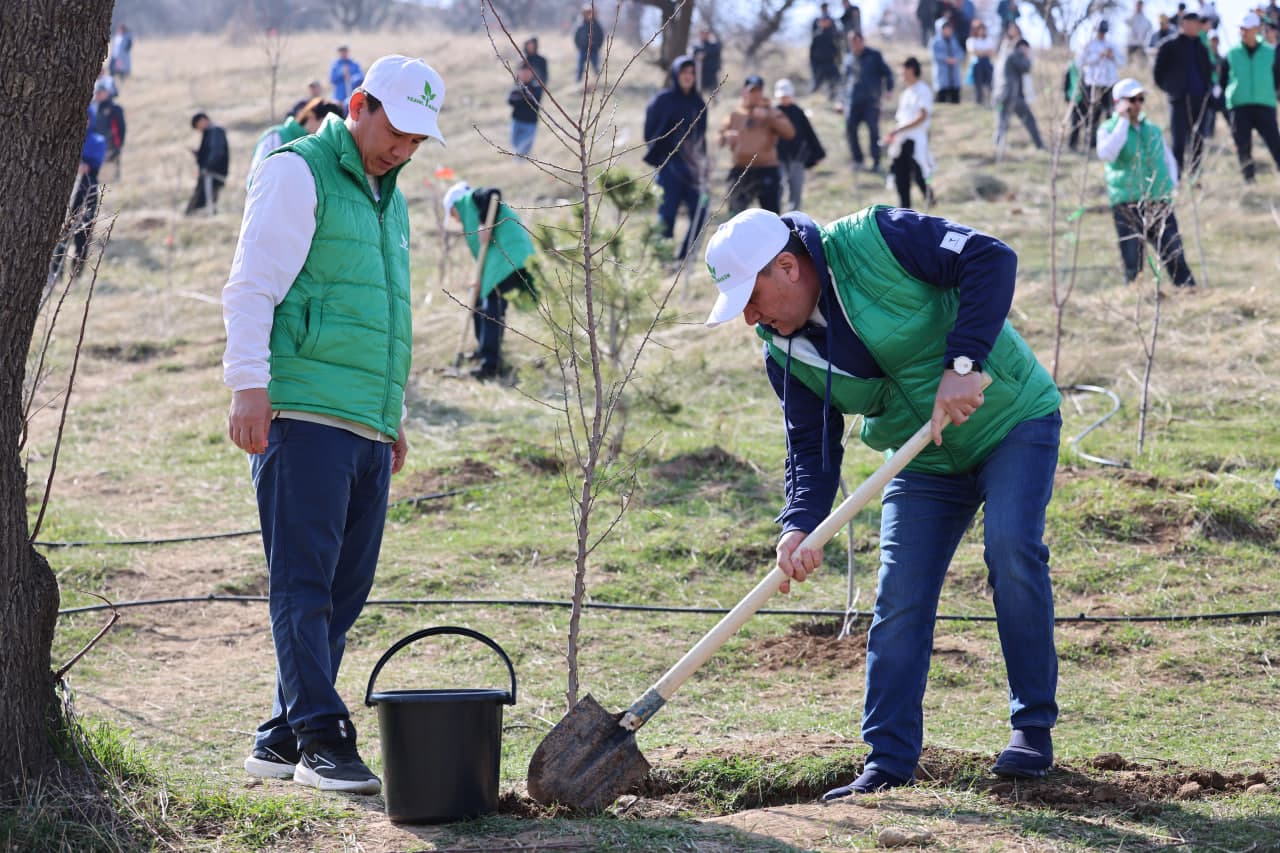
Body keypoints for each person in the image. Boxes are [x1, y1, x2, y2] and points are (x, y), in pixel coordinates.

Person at [701, 202, 1063, 798]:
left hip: (1011, 420)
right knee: (898, 595)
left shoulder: (875, 238)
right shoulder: (782, 349)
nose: (749, 318)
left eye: (750, 297)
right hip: (923, 458)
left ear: (787, 267)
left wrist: (964, 362)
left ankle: (1031, 731)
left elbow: (990, 258)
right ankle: (888, 762)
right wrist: (798, 526)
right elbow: (810, 448)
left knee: (1011, 548)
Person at [224, 54, 447, 795]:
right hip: (302, 413)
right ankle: (323, 737)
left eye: (420, 140)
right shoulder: (298, 170)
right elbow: (252, 283)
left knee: (347, 589)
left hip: (366, 421)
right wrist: (248, 386)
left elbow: (381, 313)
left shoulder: (392, 199)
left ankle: (280, 738)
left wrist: (395, 414)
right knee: (304, 583)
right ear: (360, 105)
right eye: (399, 131)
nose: (406, 149)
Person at [1097, 78, 1196, 288]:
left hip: (1159, 201)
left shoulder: (1152, 129)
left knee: (1174, 252)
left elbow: (1167, 159)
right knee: (1133, 260)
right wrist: (1123, 122)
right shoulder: (1108, 128)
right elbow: (1107, 153)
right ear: (1119, 101)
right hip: (1127, 204)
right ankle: (1136, 300)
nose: (1137, 104)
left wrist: (1172, 185)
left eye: (1140, 99)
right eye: (1132, 99)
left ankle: (1189, 292)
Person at [443, 182, 536, 379]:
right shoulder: (472, 212)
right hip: (505, 260)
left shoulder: (470, 200)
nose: (455, 219)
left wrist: (485, 222)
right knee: (479, 302)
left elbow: (493, 192)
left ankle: (490, 366)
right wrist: (479, 280)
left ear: (454, 205)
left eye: (452, 213)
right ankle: (484, 350)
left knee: (492, 310)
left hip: (509, 257)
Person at [644, 55, 709, 261]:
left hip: (693, 169)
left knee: (701, 212)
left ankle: (685, 258)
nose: (688, 77)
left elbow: (701, 137)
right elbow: (649, 132)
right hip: (668, 167)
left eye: (691, 73)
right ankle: (663, 258)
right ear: (675, 74)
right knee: (667, 215)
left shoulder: (698, 102)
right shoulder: (662, 100)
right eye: (684, 72)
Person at [718, 75, 796, 214]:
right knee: (735, 215)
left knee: (772, 215)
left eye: (758, 91)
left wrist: (769, 117)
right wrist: (726, 136)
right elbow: (719, 137)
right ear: (744, 92)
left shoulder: (771, 112)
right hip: (740, 170)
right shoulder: (735, 114)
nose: (755, 95)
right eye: (751, 91)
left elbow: (789, 132)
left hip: (767, 169)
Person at [49, 113, 107, 288]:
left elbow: (94, 164)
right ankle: (54, 274)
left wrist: (82, 165)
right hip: (67, 192)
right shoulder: (67, 140)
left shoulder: (97, 140)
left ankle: (76, 276)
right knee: (62, 233)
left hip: (87, 191)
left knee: (83, 232)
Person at [1221, 12, 1280, 183]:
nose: (1244, 32)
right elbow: (1223, 79)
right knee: (1243, 145)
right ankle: (1249, 179)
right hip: (1239, 105)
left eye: (1247, 29)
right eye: (1241, 29)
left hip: (1265, 103)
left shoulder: (1271, 53)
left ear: (1257, 29)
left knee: (1274, 141)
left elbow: (1277, 77)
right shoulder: (1231, 53)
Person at [1155, 12, 1214, 175]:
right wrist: (1171, 89)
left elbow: (1208, 72)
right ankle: (1177, 175)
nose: (1198, 26)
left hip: (1199, 101)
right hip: (1179, 100)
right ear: (1185, 23)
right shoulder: (1169, 45)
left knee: (1198, 140)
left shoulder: (1202, 48)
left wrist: (1208, 93)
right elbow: (1158, 73)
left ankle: (1194, 175)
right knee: (1179, 140)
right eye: (1195, 22)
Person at [248, 98, 345, 189]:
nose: (328, 132)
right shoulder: (276, 136)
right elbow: (256, 178)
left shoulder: (320, 148)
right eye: (325, 124)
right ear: (311, 116)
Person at [885, 57, 935, 208]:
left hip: (915, 138)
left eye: (903, 69)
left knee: (919, 173)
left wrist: (901, 128)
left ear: (911, 69)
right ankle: (904, 209)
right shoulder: (906, 93)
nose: (901, 73)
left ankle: (929, 198)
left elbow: (922, 116)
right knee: (901, 176)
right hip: (902, 139)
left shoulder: (923, 90)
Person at [842, 30, 895, 173]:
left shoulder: (874, 56)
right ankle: (858, 160)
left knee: (874, 132)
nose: (855, 45)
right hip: (853, 102)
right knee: (850, 130)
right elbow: (844, 82)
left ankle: (876, 161)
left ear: (862, 41)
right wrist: (841, 100)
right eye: (852, 42)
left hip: (871, 102)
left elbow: (888, 74)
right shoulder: (848, 59)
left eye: (857, 41)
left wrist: (889, 89)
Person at [774, 79, 826, 210]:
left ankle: (793, 219)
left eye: (786, 95)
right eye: (782, 96)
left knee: (796, 189)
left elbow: (809, 133)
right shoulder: (773, 113)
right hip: (777, 158)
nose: (784, 98)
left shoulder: (798, 112)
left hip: (797, 157)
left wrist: (818, 153)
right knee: (777, 188)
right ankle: (775, 216)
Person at [995, 39, 1045, 158]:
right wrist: (1027, 56)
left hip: (1002, 94)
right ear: (1022, 47)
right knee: (1029, 120)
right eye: (1027, 48)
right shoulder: (1015, 55)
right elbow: (1026, 67)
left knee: (1002, 123)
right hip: (1012, 95)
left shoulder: (1008, 56)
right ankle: (1040, 146)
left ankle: (997, 147)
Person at [1078, 21, 1120, 149]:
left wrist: (1111, 56)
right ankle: (1091, 142)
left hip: (1109, 83)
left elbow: (1121, 61)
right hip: (1094, 84)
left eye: (1104, 32)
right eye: (1100, 32)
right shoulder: (1088, 45)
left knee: (1110, 113)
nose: (1102, 34)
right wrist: (1099, 56)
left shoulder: (1111, 45)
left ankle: (1109, 141)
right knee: (1093, 113)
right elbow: (1080, 62)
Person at [186, 112, 229, 215]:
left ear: (203, 120)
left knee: (207, 201)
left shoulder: (215, 131)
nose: (199, 129)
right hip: (209, 172)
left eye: (198, 126)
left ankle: (209, 219)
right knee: (203, 199)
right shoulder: (210, 132)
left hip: (212, 173)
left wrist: (207, 167)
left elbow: (217, 152)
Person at [508, 62, 544, 159]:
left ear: (532, 73)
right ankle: (518, 166)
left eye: (527, 72)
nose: (525, 74)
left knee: (524, 149)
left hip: (530, 123)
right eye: (522, 72)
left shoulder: (537, 87)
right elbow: (511, 101)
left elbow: (535, 99)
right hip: (516, 121)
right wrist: (524, 97)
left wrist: (521, 96)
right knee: (515, 145)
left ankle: (520, 166)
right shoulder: (515, 87)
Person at [90, 79, 126, 168]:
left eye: (100, 92)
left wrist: (117, 147)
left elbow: (121, 129)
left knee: (109, 178)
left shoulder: (115, 109)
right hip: (95, 150)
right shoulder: (93, 110)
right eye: (96, 92)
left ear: (107, 92)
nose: (97, 95)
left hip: (110, 148)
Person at [810, 16, 845, 101]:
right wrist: (813, 64)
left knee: (836, 81)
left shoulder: (834, 34)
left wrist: (839, 61)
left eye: (826, 21)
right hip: (819, 64)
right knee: (816, 83)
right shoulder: (817, 35)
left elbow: (838, 48)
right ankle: (812, 99)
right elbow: (812, 51)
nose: (825, 23)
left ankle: (833, 98)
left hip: (831, 62)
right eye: (823, 21)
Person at [931, 19, 963, 103]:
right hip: (942, 74)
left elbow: (960, 52)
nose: (947, 30)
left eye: (949, 28)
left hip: (954, 75)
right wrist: (946, 59)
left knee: (955, 99)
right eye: (945, 28)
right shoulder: (935, 42)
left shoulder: (954, 41)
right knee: (942, 98)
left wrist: (956, 59)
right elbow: (934, 55)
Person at [967, 19, 997, 106]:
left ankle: (993, 102)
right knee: (978, 85)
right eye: (979, 28)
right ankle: (979, 102)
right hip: (976, 65)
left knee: (991, 84)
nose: (981, 31)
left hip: (987, 64)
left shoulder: (989, 40)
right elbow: (973, 51)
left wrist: (981, 52)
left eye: (983, 28)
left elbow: (992, 51)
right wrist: (985, 52)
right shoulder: (971, 40)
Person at [574, 4, 605, 84]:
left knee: (596, 66)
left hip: (594, 49)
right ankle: (578, 80)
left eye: (590, 12)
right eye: (587, 13)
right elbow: (576, 36)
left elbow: (601, 36)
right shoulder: (580, 24)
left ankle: (597, 81)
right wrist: (579, 46)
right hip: (582, 49)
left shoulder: (597, 25)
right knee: (580, 66)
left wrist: (598, 46)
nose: (588, 15)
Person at [695, 29, 722, 94]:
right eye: (703, 33)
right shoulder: (697, 46)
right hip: (701, 73)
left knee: (713, 91)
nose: (705, 35)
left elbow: (716, 52)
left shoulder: (713, 45)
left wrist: (705, 54)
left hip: (711, 72)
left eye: (706, 34)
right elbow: (695, 55)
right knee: (700, 92)